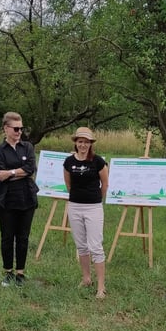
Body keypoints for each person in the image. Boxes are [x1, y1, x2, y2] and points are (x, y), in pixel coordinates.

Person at [63, 127, 109, 299]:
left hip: (93, 207)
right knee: (81, 245)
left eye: (86, 142)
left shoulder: (98, 161)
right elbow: (68, 184)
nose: (83, 145)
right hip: (74, 206)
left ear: (91, 144)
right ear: (76, 143)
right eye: (80, 141)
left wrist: (96, 199)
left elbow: (104, 184)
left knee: (95, 246)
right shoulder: (68, 162)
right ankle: (86, 278)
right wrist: (77, 198)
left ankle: (101, 287)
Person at [0, 112, 38, 286]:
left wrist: (11, 172)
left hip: (26, 198)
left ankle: (20, 273)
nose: (19, 132)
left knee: (23, 237)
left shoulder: (27, 147)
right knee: (7, 237)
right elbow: (0, 175)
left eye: (21, 128)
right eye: (16, 128)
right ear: (6, 128)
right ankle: (8, 272)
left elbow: (30, 168)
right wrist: (21, 172)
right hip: (7, 200)